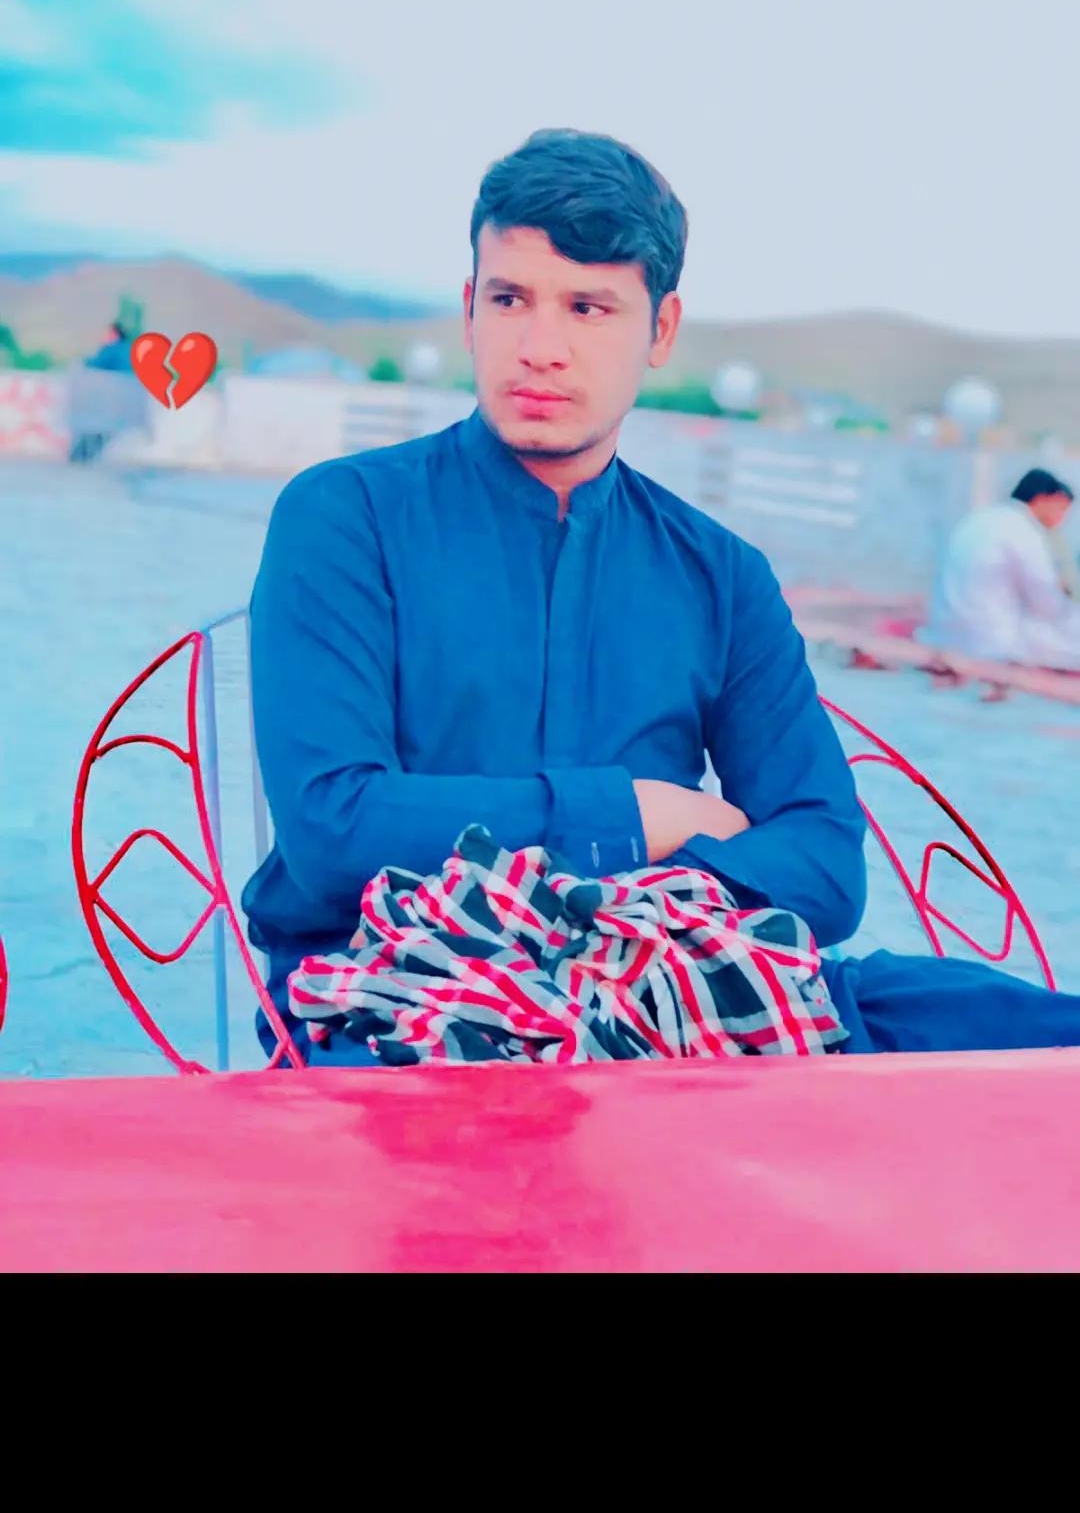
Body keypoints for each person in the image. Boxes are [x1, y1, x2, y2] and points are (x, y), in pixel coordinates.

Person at [243, 129, 1080, 1063]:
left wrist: (627, 908)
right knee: (503, 1123)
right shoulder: (347, 517)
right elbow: (334, 833)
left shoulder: (719, 574)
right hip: (392, 991)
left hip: (680, 979)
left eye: (589, 308)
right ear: (470, 310)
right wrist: (642, 815)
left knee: (1026, 1033)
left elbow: (825, 862)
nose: (541, 348)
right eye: (511, 298)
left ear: (661, 332)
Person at [921, 469, 1080, 670]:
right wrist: (1062, 591)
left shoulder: (982, 517)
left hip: (945, 633)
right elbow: (1047, 605)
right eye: (1061, 509)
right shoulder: (1024, 531)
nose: (1061, 519)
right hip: (990, 642)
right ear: (1042, 499)